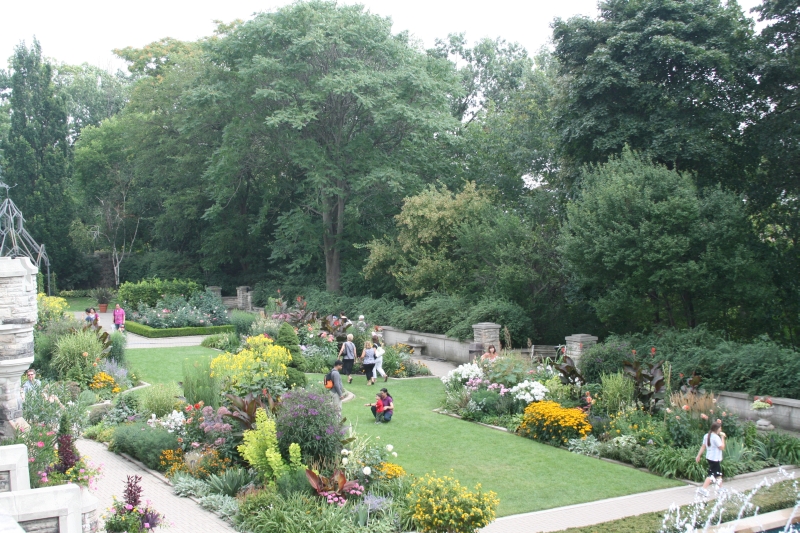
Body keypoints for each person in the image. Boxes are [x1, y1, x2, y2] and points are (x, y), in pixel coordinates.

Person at [696, 420, 726, 496]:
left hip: (710, 457)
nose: (721, 430)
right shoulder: (716, 437)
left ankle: (720, 488)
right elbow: (722, 447)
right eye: (720, 428)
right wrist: (722, 437)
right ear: (717, 429)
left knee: (718, 474)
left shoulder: (706, 435)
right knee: (712, 475)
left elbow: (703, 446)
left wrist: (698, 455)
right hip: (715, 459)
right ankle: (703, 489)